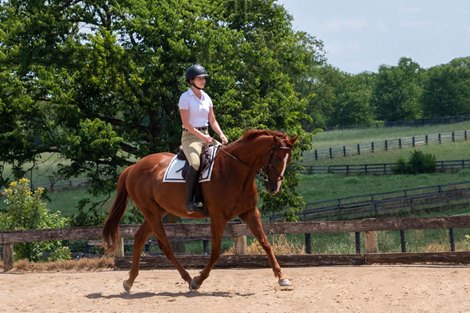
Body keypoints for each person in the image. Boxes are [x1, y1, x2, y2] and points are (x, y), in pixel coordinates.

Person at [178, 64, 228, 213]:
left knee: (225, 157)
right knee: (195, 163)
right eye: (200, 79)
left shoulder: (206, 97)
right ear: (191, 80)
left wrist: (221, 134)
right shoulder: (185, 98)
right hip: (190, 137)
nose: (203, 81)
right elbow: (186, 123)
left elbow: (212, 120)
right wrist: (202, 137)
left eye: (204, 78)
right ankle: (189, 202)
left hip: (206, 135)